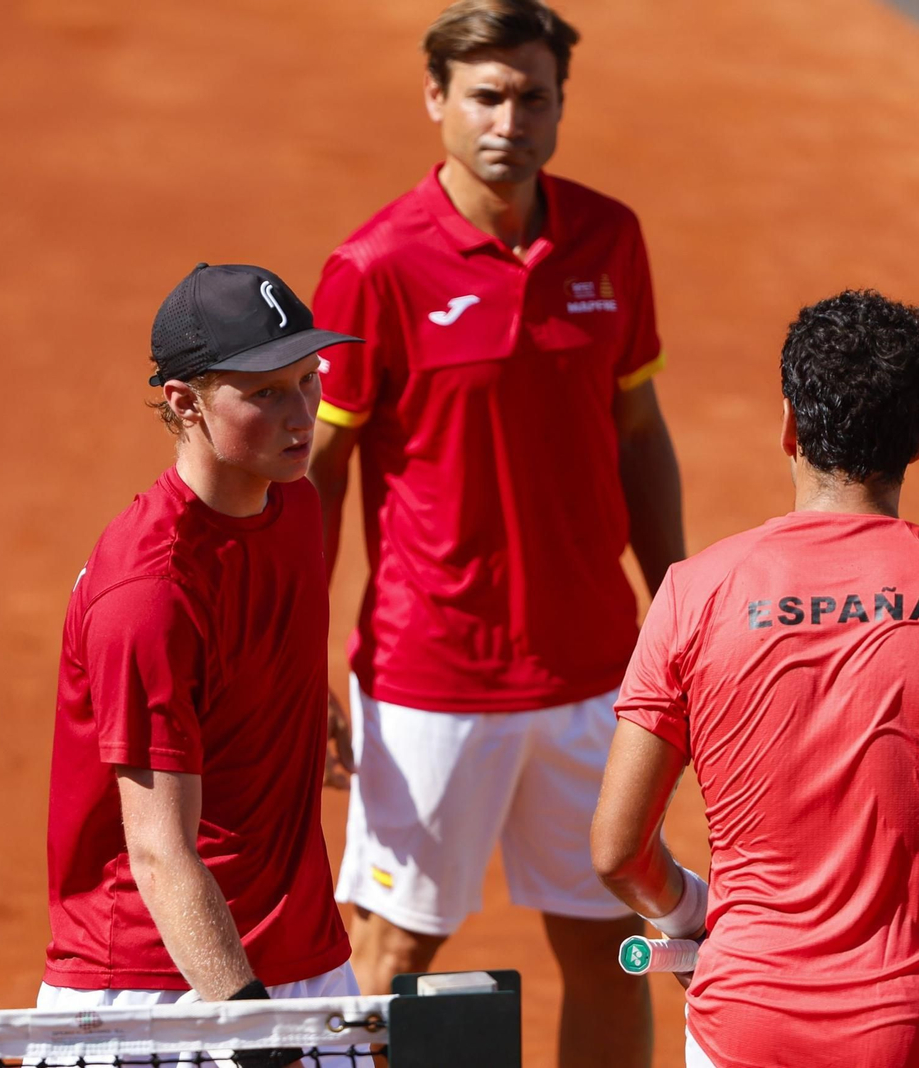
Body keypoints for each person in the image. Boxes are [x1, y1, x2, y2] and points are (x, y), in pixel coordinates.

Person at [306, 1, 684, 1063]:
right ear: (436, 99)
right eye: (485, 96)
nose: (508, 121)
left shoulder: (610, 239)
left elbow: (638, 430)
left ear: (560, 105)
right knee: (394, 949)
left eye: (532, 97)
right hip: (432, 680)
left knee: (615, 945)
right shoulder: (374, 267)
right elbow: (319, 475)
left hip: (594, 673)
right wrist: (300, 658)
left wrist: (681, 610)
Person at [590, 290, 919, 1068]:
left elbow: (618, 852)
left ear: (789, 425)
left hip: (741, 1036)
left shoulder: (694, 594)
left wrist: (689, 918)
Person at [40, 263, 366, 1067]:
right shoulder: (148, 594)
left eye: (309, 379)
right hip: (162, 989)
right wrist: (247, 1025)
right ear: (184, 402)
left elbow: (248, 640)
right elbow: (158, 851)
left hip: (304, 961)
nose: (303, 416)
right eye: (266, 394)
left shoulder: (292, 504)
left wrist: (300, 699)